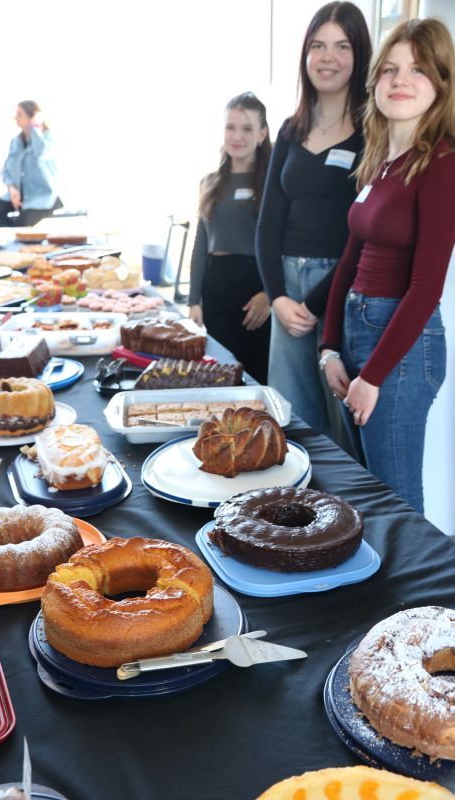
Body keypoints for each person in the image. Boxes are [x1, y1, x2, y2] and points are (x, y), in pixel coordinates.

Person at [321, 18, 455, 514]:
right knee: (371, 495)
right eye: (390, 69)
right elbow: (349, 262)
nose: (400, 81)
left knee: (396, 501)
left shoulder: (442, 164)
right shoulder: (381, 162)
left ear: (441, 83)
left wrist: (372, 376)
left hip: (403, 345)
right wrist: (329, 348)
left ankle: (417, 575)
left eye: (418, 70)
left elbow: (426, 288)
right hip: (360, 332)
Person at [256, 2, 371, 445]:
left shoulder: (373, 131)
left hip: (344, 286)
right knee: (290, 423)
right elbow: (267, 224)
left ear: (359, 55)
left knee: (343, 429)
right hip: (288, 289)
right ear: (305, 55)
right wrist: (278, 298)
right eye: (318, 46)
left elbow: (364, 233)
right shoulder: (291, 129)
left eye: (342, 46)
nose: (328, 57)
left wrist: (316, 300)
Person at [188, 92, 272, 384]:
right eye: (231, 127)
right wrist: (194, 300)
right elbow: (201, 246)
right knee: (219, 377)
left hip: (256, 292)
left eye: (247, 128)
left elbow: (283, 245)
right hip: (217, 290)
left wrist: (269, 294)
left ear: (262, 134)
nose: (237, 136)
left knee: (256, 377)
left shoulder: (273, 183)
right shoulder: (209, 182)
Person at [0, 100, 62, 227]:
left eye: (19, 114)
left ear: (32, 116)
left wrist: (35, 126)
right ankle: (18, 235)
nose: (15, 117)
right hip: (19, 194)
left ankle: (20, 234)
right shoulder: (16, 141)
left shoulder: (48, 138)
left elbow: (40, 153)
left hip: (42, 196)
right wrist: (11, 188)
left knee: (22, 224)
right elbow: (7, 169)